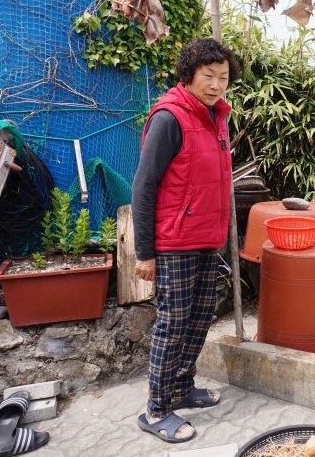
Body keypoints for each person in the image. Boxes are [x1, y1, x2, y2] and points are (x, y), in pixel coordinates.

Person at [131, 37, 239, 443]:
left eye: (223, 77)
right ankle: (156, 409)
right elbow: (144, 186)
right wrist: (145, 252)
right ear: (189, 75)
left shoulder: (216, 117)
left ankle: (181, 387)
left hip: (204, 238)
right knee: (173, 322)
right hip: (173, 241)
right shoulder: (169, 117)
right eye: (208, 76)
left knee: (199, 317)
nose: (216, 84)